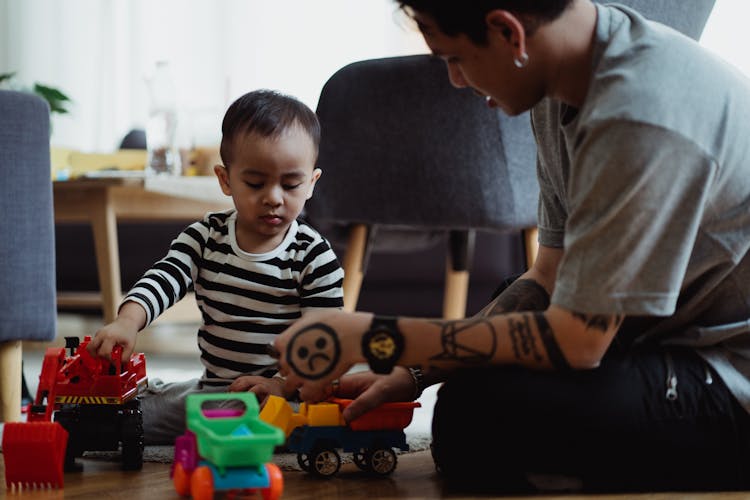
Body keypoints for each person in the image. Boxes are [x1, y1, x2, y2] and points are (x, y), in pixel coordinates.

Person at [272, 0, 750, 493]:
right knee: (503, 326)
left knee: (477, 417)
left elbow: (579, 341)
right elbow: (547, 277)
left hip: (729, 375)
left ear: (508, 33)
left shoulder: (640, 114)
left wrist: (374, 336)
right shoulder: (561, 84)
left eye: (454, 59)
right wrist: (410, 373)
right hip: (658, 331)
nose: (456, 80)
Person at [87, 89, 344, 444]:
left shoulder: (313, 256)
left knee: (282, 424)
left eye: (290, 184)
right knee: (128, 414)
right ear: (225, 180)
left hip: (281, 398)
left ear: (311, 184)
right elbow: (166, 277)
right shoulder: (207, 236)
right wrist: (127, 321)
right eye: (255, 183)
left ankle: (227, 433)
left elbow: (325, 338)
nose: (273, 196)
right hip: (211, 391)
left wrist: (284, 385)